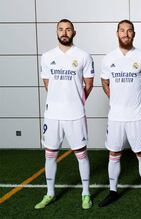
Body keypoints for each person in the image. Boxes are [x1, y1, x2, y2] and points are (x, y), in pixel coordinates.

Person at [35, 19, 94, 210]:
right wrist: (58, 99)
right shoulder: (47, 56)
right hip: (52, 115)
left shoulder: (83, 55)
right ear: (56, 32)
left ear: (74, 32)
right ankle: (50, 193)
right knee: (50, 154)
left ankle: (85, 193)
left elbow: (89, 84)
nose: (64, 32)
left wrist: (74, 100)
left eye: (68, 29)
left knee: (81, 154)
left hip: (75, 114)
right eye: (61, 29)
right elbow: (47, 84)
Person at [98, 20, 141, 208]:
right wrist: (115, 99)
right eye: (122, 30)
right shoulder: (108, 58)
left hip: (136, 116)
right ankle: (113, 191)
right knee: (114, 153)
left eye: (129, 30)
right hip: (115, 117)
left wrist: (140, 102)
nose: (125, 33)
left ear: (134, 34)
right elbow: (105, 83)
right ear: (117, 33)